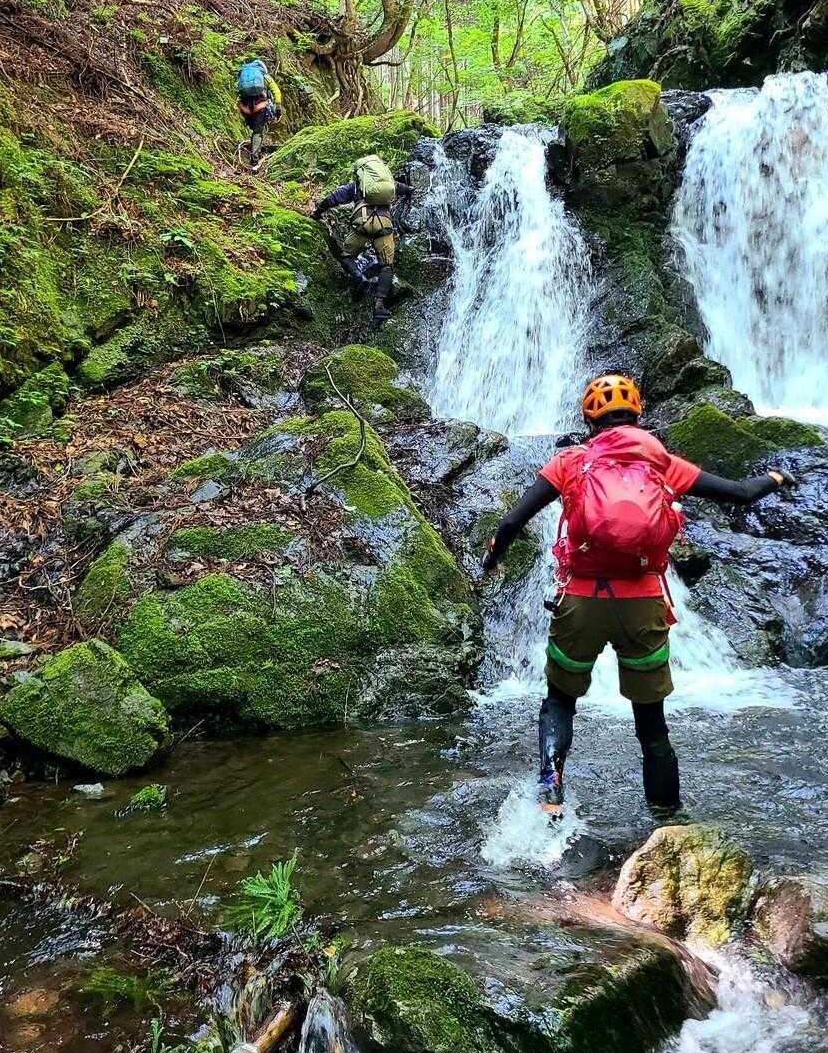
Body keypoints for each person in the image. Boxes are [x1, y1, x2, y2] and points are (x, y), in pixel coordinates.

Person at [481, 372, 795, 819]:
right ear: (637, 416)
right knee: (652, 725)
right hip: (643, 604)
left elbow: (512, 522)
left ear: (590, 420)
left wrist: (492, 560)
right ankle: (667, 821)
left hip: (582, 603)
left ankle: (551, 793)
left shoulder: (570, 462)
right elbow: (740, 494)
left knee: (559, 700)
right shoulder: (663, 463)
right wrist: (776, 477)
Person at [312, 153, 413, 330]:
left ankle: (360, 277)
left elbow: (332, 199)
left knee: (346, 256)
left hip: (362, 224)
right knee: (386, 266)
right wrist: (411, 190)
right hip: (384, 224)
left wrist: (317, 213)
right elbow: (406, 189)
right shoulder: (389, 186)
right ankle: (379, 306)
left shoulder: (356, 187)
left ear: (360, 173)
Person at [236, 59, 283, 163]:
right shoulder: (265, 76)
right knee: (258, 131)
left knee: (254, 128)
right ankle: (254, 158)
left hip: (245, 108)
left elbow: (237, 90)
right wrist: (278, 107)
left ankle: (254, 147)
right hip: (260, 106)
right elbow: (276, 91)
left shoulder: (242, 75)